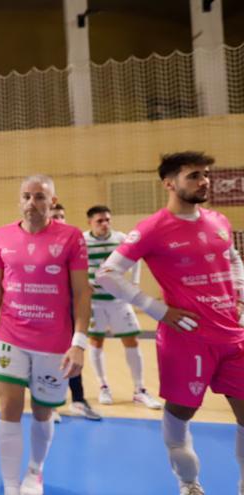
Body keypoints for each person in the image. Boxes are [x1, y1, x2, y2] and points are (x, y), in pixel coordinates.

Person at [96, 152, 244, 495]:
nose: (203, 181)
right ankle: (188, 482)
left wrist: (240, 298)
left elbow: (234, 259)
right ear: (169, 183)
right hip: (186, 340)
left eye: (205, 174)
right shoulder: (152, 228)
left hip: (233, 338)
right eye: (194, 175)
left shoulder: (219, 220)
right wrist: (157, 310)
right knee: (181, 413)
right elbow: (107, 274)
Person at [0, 176, 90, 495]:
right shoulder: (1, 235)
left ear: (52, 201)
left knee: (43, 412)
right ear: (19, 201)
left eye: (40, 197)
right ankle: (11, 485)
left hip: (54, 342)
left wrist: (79, 343)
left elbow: (82, 292)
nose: (32, 203)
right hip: (10, 337)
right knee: (9, 406)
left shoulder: (71, 237)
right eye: (26, 197)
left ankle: (35, 471)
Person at [83, 205, 161, 409]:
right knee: (96, 341)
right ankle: (103, 386)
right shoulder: (82, 241)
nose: (105, 224)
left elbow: (136, 260)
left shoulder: (120, 238)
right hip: (95, 302)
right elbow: (76, 264)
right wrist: (83, 282)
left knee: (131, 341)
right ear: (90, 222)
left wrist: (133, 282)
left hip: (119, 300)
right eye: (100, 221)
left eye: (107, 219)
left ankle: (140, 390)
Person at [49, 203, 101, 422]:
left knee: (73, 354)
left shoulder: (73, 241)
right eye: (55, 216)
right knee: (49, 356)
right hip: (47, 309)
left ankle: (78, 401)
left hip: (71, 307)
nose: (59, 219)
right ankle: (48, 404)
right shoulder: (40, 244)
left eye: (62, 215)